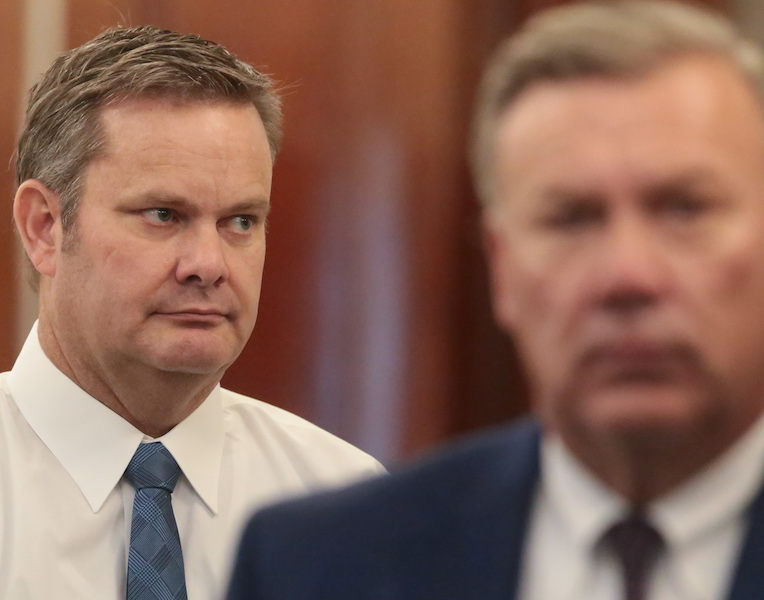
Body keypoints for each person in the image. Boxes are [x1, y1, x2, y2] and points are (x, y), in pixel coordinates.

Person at [226, 2, 764, 599]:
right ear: (502, 267)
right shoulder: (319, 565)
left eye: (684, 209)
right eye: (571, 219)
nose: (628, 275)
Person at [0, 26, 383, 600]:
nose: (208, 264)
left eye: (240, 221)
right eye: (163, 214)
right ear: (44, 227)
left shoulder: (346, 503)